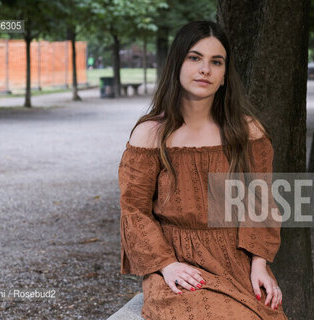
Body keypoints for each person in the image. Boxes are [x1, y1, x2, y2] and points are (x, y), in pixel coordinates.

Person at [118, 21, 287, 319]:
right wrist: (166, 265)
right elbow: (134, 210)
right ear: (177, 65)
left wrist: (259, 264)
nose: (205, 69)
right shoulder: (151, 134)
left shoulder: (247, 131)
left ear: (224, 76)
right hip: (177, 262)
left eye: (216, 62)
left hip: (237, 260)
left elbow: (261, 202)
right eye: (194, 58)